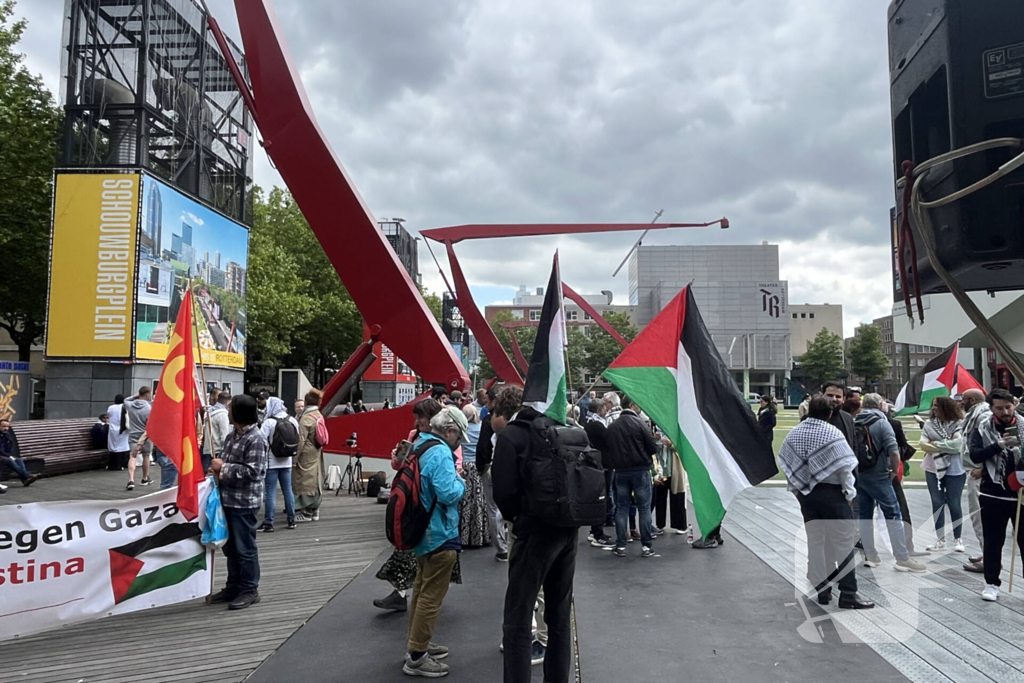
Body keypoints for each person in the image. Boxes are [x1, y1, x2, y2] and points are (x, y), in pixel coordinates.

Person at [493, 386, 577, 683]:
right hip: (568, 529)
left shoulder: (512, 436)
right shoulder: (563, 428)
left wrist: (519, 517)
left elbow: (503, 494)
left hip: (532, 532)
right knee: (558, 615)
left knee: (517, 616)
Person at [779, 395, 874, 608]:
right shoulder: (833, 433)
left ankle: (822, 589)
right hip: (833, 494)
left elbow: (787, 461)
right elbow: (845, 469)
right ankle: (848, 593)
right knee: (843, 543)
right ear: (831, 413)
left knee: (815, 541)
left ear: (808, 410)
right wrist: (849, 495)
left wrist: (797, 489)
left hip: (807, 495)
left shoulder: (796, 433)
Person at [401, 407, 468, 678]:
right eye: (460, 437)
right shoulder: (441, 452)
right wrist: (461, 482)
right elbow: (448, 492)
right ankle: (417, 656)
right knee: (431, 596)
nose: (460, 442)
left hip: (421, 529)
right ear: (450, 431)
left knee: (420, 589)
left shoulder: (421, 444)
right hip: (440, 531)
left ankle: (417, 644)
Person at [375, 399, 459, 612]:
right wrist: (397, 458)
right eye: (416, 416)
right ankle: (406, 596)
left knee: (422, 562)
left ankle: (409, 598)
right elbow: (401, 466)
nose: (418, 421)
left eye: (421, 416)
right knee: (415, 558)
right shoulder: (416, 438)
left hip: (427, 508)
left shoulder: (442, 444)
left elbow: (451, 472)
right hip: (415, 503)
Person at [211, 394, 269, 610]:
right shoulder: (232, 435)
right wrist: (217, 469)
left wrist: (223, 468)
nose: (227, 410)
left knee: (245, 548)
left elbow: (255, 472)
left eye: (231, 408)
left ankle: (249, 589)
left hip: (244, 502)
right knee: (231, 548)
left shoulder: (256, 438)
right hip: (227, 499)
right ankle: (233, 585)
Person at [855, 394, 926, 573]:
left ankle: (870, 555)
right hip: (879, 475)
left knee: (864, 515)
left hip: (860, 474)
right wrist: (894, 471)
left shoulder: (855, 421)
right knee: (893, 515)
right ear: (880, 405)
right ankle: (902, 557)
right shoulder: (881, 422)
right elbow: (894, 451)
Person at [969, 388, 1024, 602]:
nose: (1004, 411)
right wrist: (997, 446)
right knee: (993, 542)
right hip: (993, 493)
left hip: (1021, 494)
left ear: (1014, 405)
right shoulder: (983, 428)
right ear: (991, 408)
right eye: (999, 408)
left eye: (1008, 407)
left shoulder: (1023, 425)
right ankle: (991, 583)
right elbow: (974, 455)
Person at [604, 395, 658, 558]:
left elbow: (608, 450)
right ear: (632, 405)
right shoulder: (640, 424)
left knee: (621, 508)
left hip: (620, 471)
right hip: (641, 470)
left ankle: (621, 545)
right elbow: (653, 448)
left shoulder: (612, 426)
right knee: (644, 508)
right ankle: (647, 546)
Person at [919, 397, 966, 552]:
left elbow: (958, 445)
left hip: (955, 468)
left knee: (954, 503)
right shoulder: (929, 424)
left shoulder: (959, 424)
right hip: (932, 468)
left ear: (946, 408)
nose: (934, 409)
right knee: (936, 502)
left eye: (937, 406)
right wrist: (946, 445)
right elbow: (923, 445)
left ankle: (958, 539)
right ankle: (940, 539)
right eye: (933, 406)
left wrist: (936, 444)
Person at [476, 386, 509, 561]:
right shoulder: (513, 420)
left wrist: (481, 466)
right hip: (508, 467)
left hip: (490, 466)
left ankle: (502, 547)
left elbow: (482, 446)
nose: (486, 404)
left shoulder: (490, 420)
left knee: (493, 509)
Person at [959, 388, 989, 573]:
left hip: (979, 473)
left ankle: (989, 559)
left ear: (972, 399)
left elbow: (990, 442)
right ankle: (987, 553)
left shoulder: (982, 415)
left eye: (963, 399)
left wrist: (983, 469)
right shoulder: (976, 414)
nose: (961, 402)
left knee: (980, 516)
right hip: (975, 470)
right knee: (979, 516)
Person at [259, 397, 298, 532]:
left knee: (270, 492)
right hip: (287, 461)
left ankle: (269, 522)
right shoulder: (292, 420)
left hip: (271, 462)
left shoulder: (268, 422)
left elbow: (261, 441)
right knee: (288, 490)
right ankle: (291, 519)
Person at [583, 398, 615, 548]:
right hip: (602, 464)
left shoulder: (588, 422)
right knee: (601, 497)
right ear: (598, 410)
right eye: (604, 408)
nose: (606, 410)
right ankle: (597, 533)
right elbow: (608, 441)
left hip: (595, 463)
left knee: (599, 496)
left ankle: (594, 530)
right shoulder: (597, 425)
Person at [458, 404, 489, 548]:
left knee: (464, 504)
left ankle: (463, 536)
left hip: (463, 467)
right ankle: (480, 536)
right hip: (477, 468)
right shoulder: (481, 428)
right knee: (479, 503)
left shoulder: (461, 431)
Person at [293, 389, 325, 522]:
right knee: (316, 480)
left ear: (306, 402)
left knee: (305, 480)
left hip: (306, 453)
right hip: (317, 451)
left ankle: (306, 512)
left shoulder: (306, 418)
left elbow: (300, 440)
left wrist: (295, 458)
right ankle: (315, 511)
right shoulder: (318, 415)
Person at [652, 431, 688, 536]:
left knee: (677, 496)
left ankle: (681, 525)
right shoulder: (654, 426)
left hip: (674, 468)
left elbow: (684, 447)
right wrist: (654, 439)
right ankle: (660, 525)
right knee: (659, 498)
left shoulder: (677, 428)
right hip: (661, 469)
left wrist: (671, 444)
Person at [124, 387, 154, 490]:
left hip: (133, 434)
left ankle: (131, 480)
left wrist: (135, 396)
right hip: (145, 435)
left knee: (132, 456)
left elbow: (125, 400)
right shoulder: (149, 408)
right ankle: (144, 478)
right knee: (146, 456)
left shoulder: (130, 405)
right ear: (146, 395)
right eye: (150, 394)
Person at [0, 419, 39, 487]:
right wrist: (9, 456)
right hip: (2, 455)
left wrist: (9, 455)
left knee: (19, 460)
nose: (6, 428)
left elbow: (9, 448)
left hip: (5, 455)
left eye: (7, 427)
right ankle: (26, 475)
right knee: (9, 460)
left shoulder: (7, 435)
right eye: (3, 426)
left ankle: (25, 479)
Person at [205, 391, 232, 474]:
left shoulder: (210, 412)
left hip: (207, 449)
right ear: (228, 402)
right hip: (217, 451)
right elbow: (225, 436)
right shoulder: (223, 414)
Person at [106, 395, 130, 471]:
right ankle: (120, 464)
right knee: (122, 447)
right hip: (123, 429)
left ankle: (111, 464)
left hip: (113, 429)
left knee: (113, 447)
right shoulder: (124, 407)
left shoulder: (111, 407)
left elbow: (109, 415)